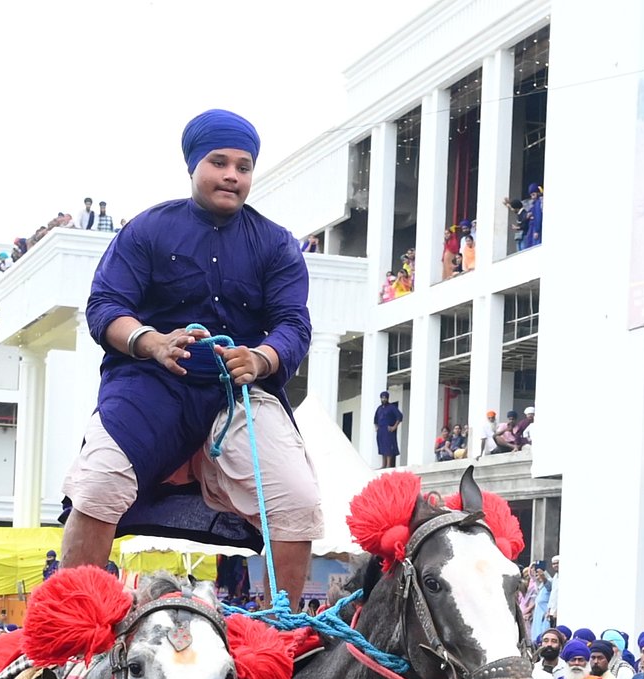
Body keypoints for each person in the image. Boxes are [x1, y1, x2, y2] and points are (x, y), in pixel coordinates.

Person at [59, 109, 321, 608]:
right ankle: (73, 626)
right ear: (193, 165)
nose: (232, 175)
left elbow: (294, 324)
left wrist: (261, 359)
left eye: (243, 167)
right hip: (150, 382)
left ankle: (280, 634)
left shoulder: (276, 244)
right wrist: (151, 342)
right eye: (219, 162)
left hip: (238, 389)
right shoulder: (146, 230)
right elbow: (104, 307)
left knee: (298, 499)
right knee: (97, 483)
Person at [374, 391, 403, 469]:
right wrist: (376, 427)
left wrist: (394, 427)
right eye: (382, 398)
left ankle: (388, 465)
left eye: (385, 398)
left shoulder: (392, 407)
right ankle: (383, 465)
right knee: (382, 447)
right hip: (381, 430)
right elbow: (375, 419)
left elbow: (399, 417)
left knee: (388, 447)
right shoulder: (379, 408)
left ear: (387, 398)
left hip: (388, 430)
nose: (383, 399)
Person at [522, 184, 543, 249]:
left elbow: (538, 216)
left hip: (535, 228)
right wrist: (528, 215)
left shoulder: (538, 203)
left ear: (538, 193)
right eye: (531, 195)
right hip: (532, 228)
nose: (532, 197)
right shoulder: (534, 204)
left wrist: (537, 231)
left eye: (533, 194)